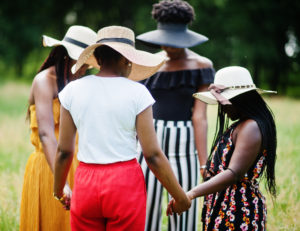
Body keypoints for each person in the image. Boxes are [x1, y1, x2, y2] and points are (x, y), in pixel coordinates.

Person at [53, 25, 191, 231]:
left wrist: (59, 190)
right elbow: (152, 154)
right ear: (127, 60)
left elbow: (64, 151)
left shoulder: (72, 91)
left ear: (97, 59)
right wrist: (180, 197)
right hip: (124, 183)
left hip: (86, 183)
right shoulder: (138, 93)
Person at [136, 0, 215, 230]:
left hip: (185, 144)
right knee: (145, 210)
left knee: (183, 210)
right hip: (149, 143)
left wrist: (203, 164)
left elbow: (199, 117)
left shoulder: (202, 65)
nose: (169, 47)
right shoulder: (148, 65)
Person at [167, 66, 277, 231]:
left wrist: (190, 194)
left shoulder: (251, 127)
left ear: (240, 99)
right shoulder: (242, 125)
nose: (223, 109)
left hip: (238, 209)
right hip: (225, 206)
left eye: (224, 103)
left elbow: (234, 173)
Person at [19, 25, 97, 231]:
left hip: (79, 164)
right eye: (81, 64)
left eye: (87, 65)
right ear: (66, 57)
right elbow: (46, 134)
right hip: (50, 165)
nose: (83, 70)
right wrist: (61, 182)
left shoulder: (80, 83)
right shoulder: (44, 81)